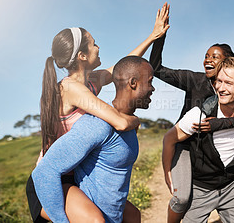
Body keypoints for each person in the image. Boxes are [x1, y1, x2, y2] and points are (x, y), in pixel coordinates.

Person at [26, 4, 169, 222]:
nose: (99, 47)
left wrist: (152, 37)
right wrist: (135, 120)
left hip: (75, 173)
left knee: (132, 216)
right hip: (54, 178)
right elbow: (119, 122)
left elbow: (124, 69)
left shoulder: (92, 82)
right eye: (94, 44)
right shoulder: (70, 88)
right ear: (82, 55)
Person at [150, 26, 234, 222]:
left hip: (219, 145)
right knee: (181, 197)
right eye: (206, 55)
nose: (208, 59)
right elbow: (156, 69)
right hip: (188, 144)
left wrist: (223, 131)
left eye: (215, 56)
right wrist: (159, 37)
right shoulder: (195, 80)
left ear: (228, 61)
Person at [32, 56, 155, 223]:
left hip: (111, 214)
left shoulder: (128, 125)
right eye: (150, 81)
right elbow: (44, 171)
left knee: (134, 215)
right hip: (62, 195)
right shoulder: (98, 125)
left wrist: (153, 37)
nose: (153, 88)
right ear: (133, 83)